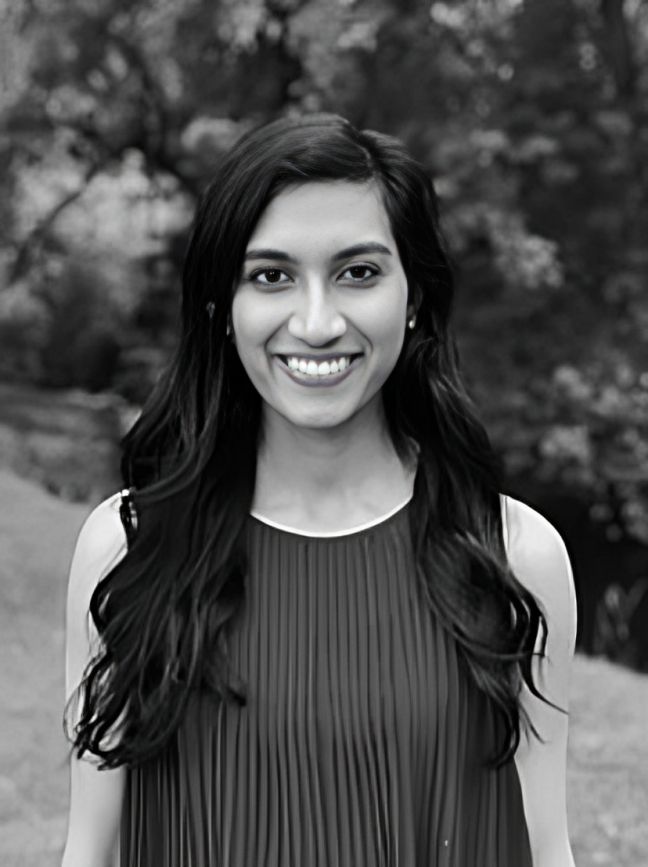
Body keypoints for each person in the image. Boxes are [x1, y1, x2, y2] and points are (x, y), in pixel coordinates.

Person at [61, 114, 577, 867]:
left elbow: (546, 847)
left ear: (415, 296)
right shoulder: (130, 549)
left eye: (357, 272)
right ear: (223, 307)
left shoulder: (515, 557)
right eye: (271, 276)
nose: (316, 321)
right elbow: (90, 851)